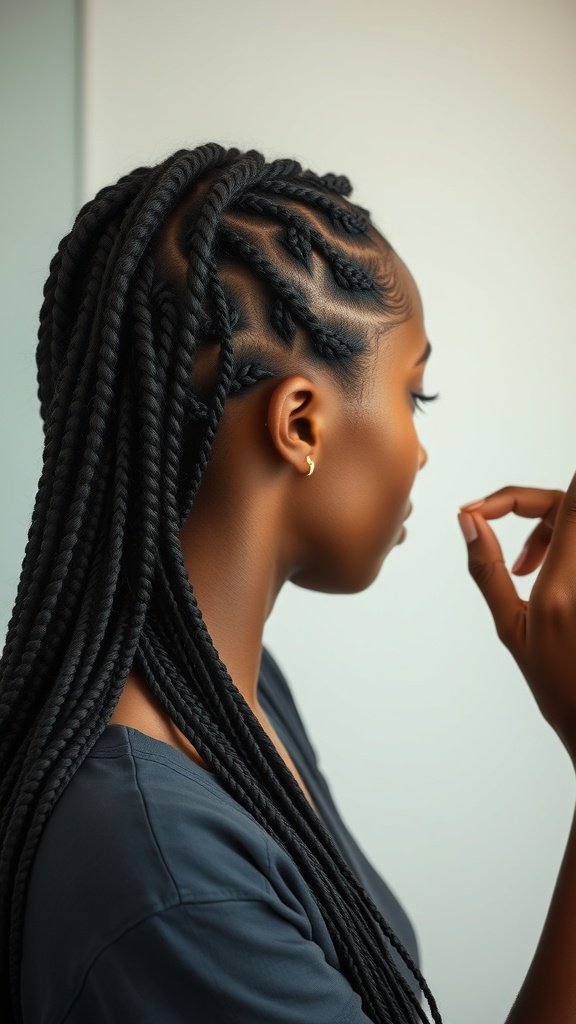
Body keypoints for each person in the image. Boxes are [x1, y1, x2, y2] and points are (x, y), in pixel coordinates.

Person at [0, 143, 575, 1024]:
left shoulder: (229, 694)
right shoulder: (169, 880)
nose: (420, 451)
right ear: (300, 423)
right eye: (414, 396)